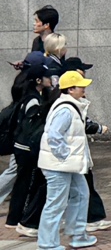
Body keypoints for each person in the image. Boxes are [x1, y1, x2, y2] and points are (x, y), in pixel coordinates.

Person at [36, 70, 98, 250]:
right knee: (56, 203)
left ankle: (78, 235)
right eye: (81, 86)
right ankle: (47, 244)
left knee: (81, 194)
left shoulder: (68, 106)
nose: (84, 89)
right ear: (70, 89)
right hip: (60, 165)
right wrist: (65, 156)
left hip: (65, 165)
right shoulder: (65, 109)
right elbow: (54, 136)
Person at [7, 57, 53, 232]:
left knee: (22, 183)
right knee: (26, 183)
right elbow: (31, 127)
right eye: (47, 77)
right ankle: (21, 219)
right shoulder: (33, 99)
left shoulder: (31, 95)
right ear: (39, 80)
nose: (51, 79)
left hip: (21, 147)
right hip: (26, 148)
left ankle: (14, 218)